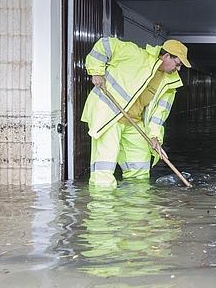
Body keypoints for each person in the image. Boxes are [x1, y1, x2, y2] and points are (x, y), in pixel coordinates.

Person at [81, 37, 191, 188]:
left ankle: (135, 207)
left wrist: (155, 137)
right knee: (104, 168)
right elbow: (104, 44)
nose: (177, 69)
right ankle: (102, 207)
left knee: (140, 168)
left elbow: (159, 115)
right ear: (166, 56)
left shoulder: (170, 83)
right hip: (109, 114)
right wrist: (96, 72)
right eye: (177, 64)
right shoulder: (134, 54)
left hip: (134, 121)